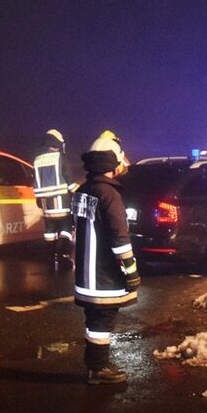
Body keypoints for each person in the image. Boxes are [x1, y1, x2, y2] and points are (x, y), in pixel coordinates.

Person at [72, 134, 141, 384]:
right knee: (103, 320)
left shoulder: (83, 191)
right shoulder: (109, 195)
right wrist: (131, 271)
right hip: (104, 275)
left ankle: (94, 365)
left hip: (85, 275)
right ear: (111, 164)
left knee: (93, 321)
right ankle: (99, 370)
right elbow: (119, 238)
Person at [33, 129, 78, 269]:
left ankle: (50, 256)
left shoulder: (37, 159)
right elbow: (69, 180)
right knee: (65, 229)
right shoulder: (61, 157)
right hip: (62, 201)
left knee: (49, 231)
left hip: (46, 203)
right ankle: (64, 256)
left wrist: (39, 200)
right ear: (58, 143)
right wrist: (78, 193)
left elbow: (35, 181)